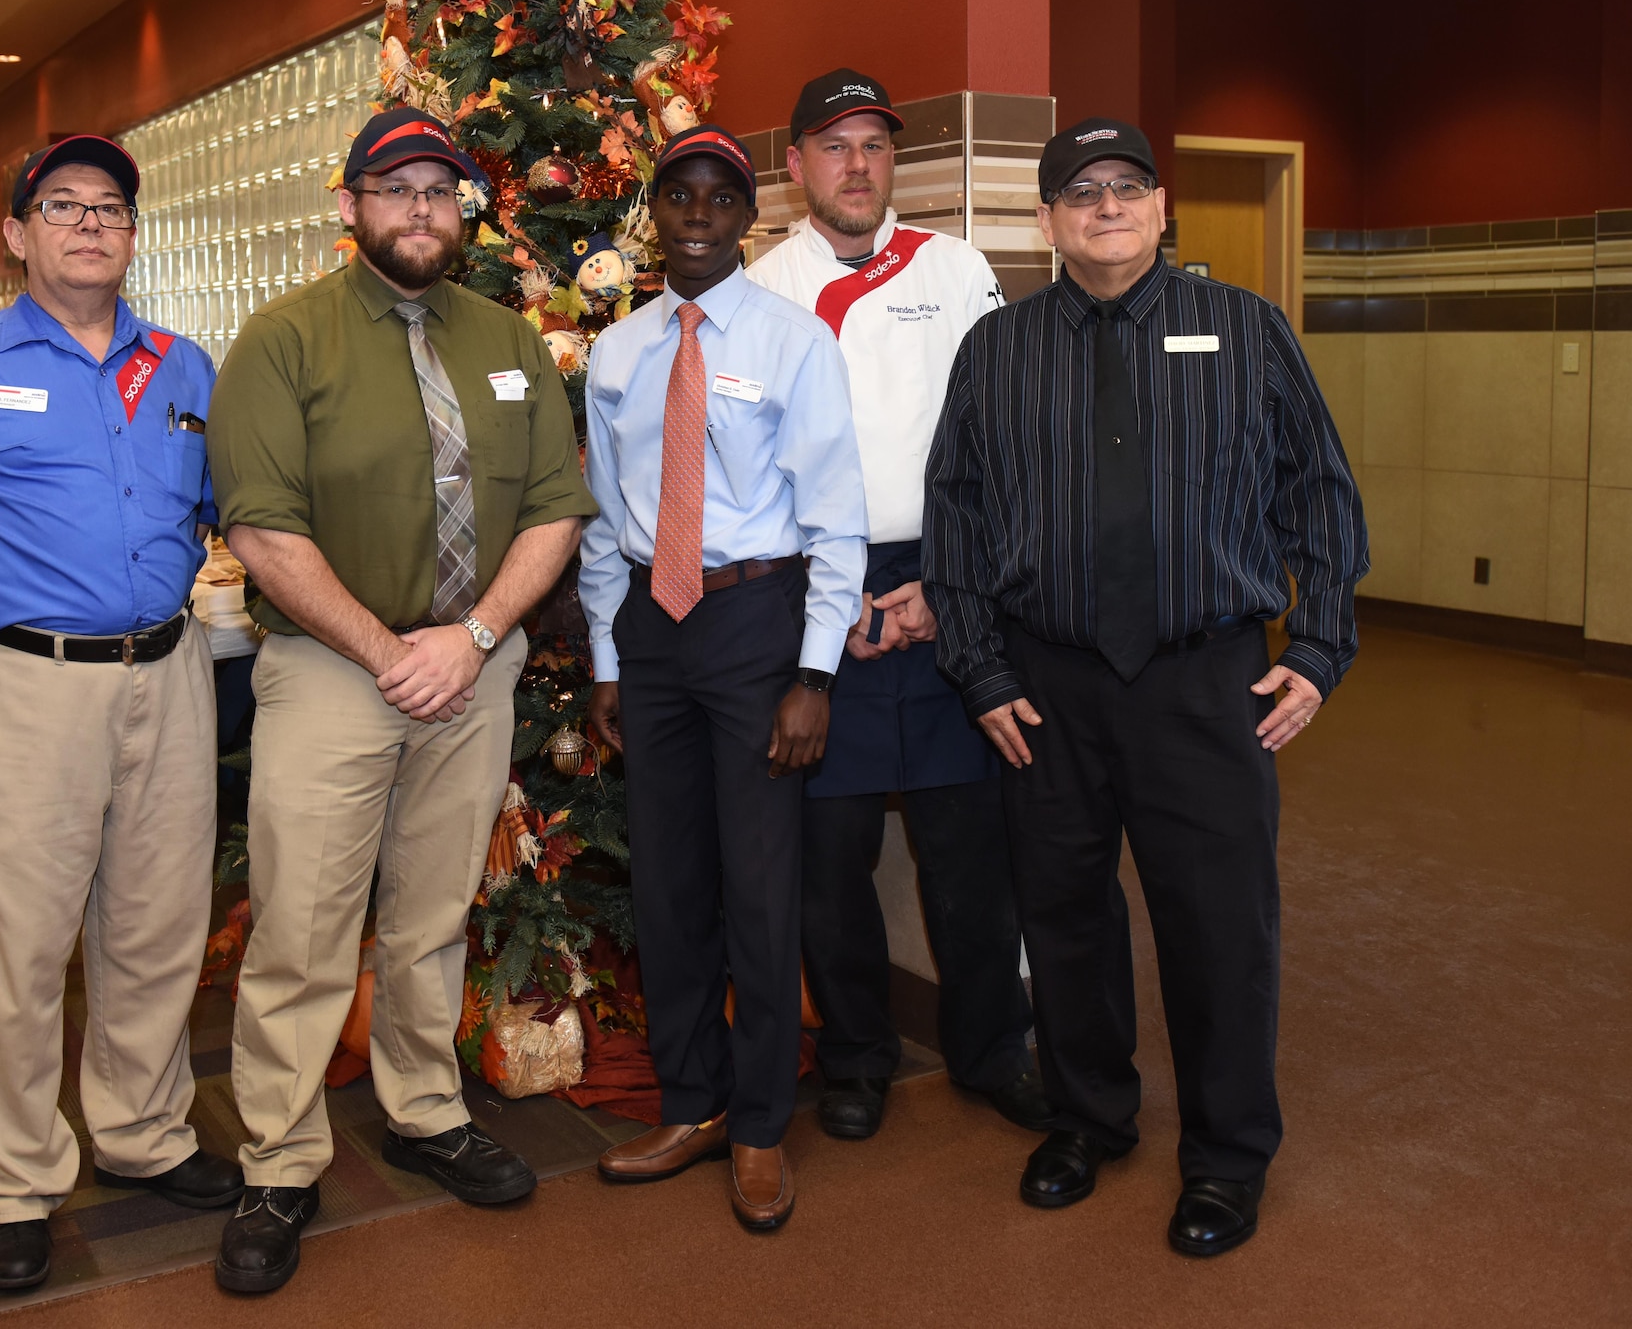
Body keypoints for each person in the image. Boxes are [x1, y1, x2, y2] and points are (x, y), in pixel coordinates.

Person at [923, 117, 1368, 1257]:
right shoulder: (995, 351)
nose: (1106, 206)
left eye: (1127, 187)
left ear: (1162, 208)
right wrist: (976, 670)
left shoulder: (1245, 332)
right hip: (1044, 689)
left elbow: (1319, 496)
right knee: (1063, 919)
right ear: (1046, 222)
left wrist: (1315, 647)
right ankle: (1087, 1119)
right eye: (1080, 191)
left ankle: (1224, 1159)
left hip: (1203, 684)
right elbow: (956, 528)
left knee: (1219, 929)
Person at [205, 106, 595, 1295]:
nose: (421, 209)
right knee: (304, 922)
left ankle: (427, 1112)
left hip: (470, 669)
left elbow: (553, 508)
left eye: (441, 190)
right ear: (349, 206)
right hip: (335, 669)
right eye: (395, 188)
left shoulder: (509, 339)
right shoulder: (281, 340)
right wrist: (391, 650)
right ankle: (278, 1159)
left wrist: (470, 640)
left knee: (432, 913)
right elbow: (262, 531)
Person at [0, 134, 243, 1292]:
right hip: (16, 688)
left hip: (166, 674)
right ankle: (17, 1179)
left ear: (133, 236)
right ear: (17, 234)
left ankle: (139, 1133)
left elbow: (229, 512)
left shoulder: (184, 367)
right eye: (62, 205)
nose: (89, 224)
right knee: (12, 942)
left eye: (110, 208)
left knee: (157, 921)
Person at [746, 67, 1047, 1142]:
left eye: (874, 146)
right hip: (812, 588)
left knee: (969, 851)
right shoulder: (761, 290)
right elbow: (744, 473)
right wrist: (829, 603)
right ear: (796, 169)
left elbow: (1002, 442)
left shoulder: (956, 269)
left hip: (947, 578)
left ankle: (987, 1051)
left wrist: (946, 586)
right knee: (830, 863)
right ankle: (859, 1059)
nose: (858, 165)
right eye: (834, 146)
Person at [582, 124, 867, 1231]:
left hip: (757, 625)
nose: (695, 218)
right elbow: (608, 524)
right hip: (654, 636)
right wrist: (610, 660)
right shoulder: (617, 352)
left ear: (745, 217)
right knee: (667, 884)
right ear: (652, 213)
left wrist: (814, 673)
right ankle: (690, 1102)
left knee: (756, 887)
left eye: (717, 200)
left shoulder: (794, 344)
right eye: (676, 198)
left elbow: (836, 522)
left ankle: (756, 1125)